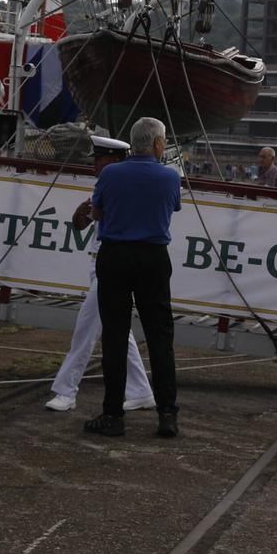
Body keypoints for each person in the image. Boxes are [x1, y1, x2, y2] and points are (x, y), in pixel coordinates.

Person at [84, 116, 183, 439]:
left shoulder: (111, 173)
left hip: (114, 256)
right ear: (157, 144)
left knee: (114, 336)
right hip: (153, 258)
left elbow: (97, 213)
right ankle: (167, 414)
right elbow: (171, 210)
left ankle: (113, 414)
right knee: (160, 338)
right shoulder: (170, 178)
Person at [45, 138, 155, 414]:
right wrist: (79, 214)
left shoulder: (124, 187)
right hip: (98, 265)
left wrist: (91, 212)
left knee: (85, 330)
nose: (93, 164)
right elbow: (83, 223)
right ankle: (141, 391)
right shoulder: (104, 186)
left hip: (111, 267)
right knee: (118, 332)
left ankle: (66, 391)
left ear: (114, 161)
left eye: (98, 159)